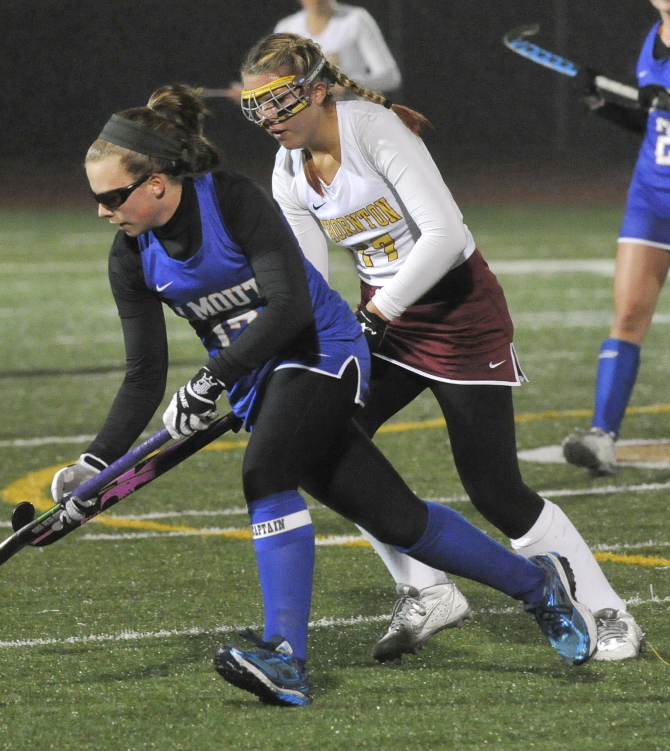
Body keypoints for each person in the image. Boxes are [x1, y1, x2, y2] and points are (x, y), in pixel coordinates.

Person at [53, 83, 597, 708]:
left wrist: (212, 379)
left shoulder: (229, 200)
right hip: (264, 382)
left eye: (112, 196)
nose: (102, 211)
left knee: (265, 473)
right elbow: (143, 372)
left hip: (322, 351)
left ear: (155, 182)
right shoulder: (131, 256)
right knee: (398, 520)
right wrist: (96, 464)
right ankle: (539, 587)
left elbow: (288, 309)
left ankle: (284, 656)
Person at [237, 32, 644, 665]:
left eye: (280, 103)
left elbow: (446, 236)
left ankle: (607, 608)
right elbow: (308, 284)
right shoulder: (288, 168)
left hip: (459, 315)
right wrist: (281, 351)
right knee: (319, 441)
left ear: (318, 91)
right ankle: (425, 588)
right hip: (386, 322)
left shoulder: (374, 129)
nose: (269, 120)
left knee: (495, 489)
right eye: (258, 108)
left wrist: (378, 311)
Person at [561, 0, 670, 480]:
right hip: (651, 199)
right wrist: (606, 107)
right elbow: (655, 122)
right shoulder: (654, 37)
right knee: (627, 316)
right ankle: (602, 438)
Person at [274, 0, 401, 96]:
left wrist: (349, 85)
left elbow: (390, 78)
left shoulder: (355, 20)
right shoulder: (286, 28)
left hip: (350, 116)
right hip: (307, 120)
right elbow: (275, 81)